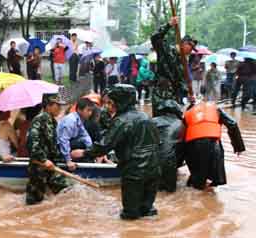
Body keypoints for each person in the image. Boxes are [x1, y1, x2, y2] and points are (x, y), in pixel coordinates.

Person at [80, 84, 161, 220]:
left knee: (130, 215)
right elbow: (158, 142)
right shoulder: (146, 117)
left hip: (134, 173)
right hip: (154, 170)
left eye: (111, 102)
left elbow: (104, 146)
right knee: (147, 210)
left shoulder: (121, 121)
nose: (107, 106)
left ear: (120, 102)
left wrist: (83, 153)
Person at [183, 101, 245, 191]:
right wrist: (239, 147)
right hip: (213, 145)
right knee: (213, 181)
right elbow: (233, 124)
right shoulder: (216, 109)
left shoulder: (187, 115)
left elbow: (181, 138)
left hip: (193, 147)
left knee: (196, 184)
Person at [26, 94, 70, 205]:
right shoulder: (40, 119)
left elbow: (53, 146)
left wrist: (67, 159)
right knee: (34, 202)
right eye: (57, 105)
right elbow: (31, 142)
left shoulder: (53, 121)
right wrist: (43, 159)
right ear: (48, 106)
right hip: (39, 166)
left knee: (66, 191)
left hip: (50, 166)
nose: (60, 108)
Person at [151, 16, 197, 114]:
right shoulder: (166, 49)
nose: (190, 50)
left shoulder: (183, 62)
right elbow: (155, 38)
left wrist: (188, 94)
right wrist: (169, 25)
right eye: (190, 46)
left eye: (193, 48)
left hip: (175, 100)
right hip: (161, 96)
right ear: (183, 43)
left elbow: (181, 82)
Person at [151, 100, 185, 192]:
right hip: (169, 161)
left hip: (151, 161)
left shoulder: (152, 121)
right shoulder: (181, 124)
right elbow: (182, 148)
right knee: (170, 192)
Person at [57, 98, 94, 170]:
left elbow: (85, 136)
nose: (90, 113)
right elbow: (63, 140)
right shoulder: (71, 120)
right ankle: (67, 157)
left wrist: (92, 151)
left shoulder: (79, 120)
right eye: (88, 110)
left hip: (68, 144)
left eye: (91, 111)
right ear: (79, 110)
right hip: (58, 146)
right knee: (81, 145)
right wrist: (68, 161)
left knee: (85, 144)